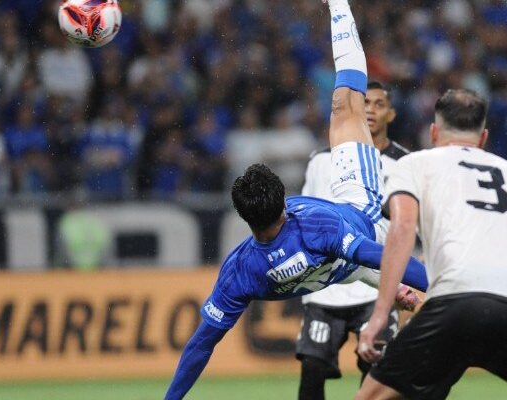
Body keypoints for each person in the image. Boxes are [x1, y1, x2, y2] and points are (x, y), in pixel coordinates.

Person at [163, 1, 429, 398]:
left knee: (350, 266)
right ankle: (339, 4)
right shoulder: (314, 226)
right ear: (284, 203)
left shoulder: (240, 271)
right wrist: (446, 286)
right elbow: (392, 256)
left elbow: (202, 344)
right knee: (345, 104)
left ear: (246, 220)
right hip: (361, 210)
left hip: (337, 267)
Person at [355, 89, 507, 400]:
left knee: (373, 396)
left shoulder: (414, 164)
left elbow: (401, 227)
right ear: (483, 138)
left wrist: (379, 316)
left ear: (433, 132)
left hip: (456, 299)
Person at [297, 81, 410, 399]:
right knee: (312, 371)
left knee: (376, 374)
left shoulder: (405, 165)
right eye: (366, 104)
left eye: (378, 104)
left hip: (377, 284)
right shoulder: (321, 160)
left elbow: (412, 224)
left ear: (391, 114)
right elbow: (306, 217)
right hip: (327, 287)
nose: (371, 110)